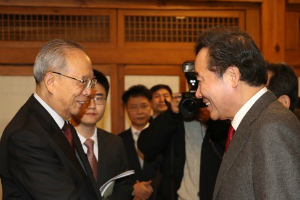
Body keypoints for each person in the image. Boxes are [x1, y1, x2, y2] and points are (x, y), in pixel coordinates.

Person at [194, 26, 300, 199]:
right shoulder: (253, 122)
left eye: (200, 81)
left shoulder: (272, 127)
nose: (198, 93)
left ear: (232, 76)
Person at [0, 39, 102, 199]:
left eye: (91, 82)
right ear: (51, 82)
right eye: (83, 82)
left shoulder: (63, 125)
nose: (88, 91)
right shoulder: (26, 137)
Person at [138, 93, 229, 200]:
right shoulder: (175, 118)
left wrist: (213, 120)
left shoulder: (222, 115)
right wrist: (171, 114)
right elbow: (147, 147)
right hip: (180, 196)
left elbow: (233, 149)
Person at [71, 69, 133, 200]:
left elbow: (125, 186)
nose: (92, 105)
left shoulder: (115, 142)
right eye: (86, 98)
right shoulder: (59, 140)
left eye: (99, 98)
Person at [119, 85, 161, 200]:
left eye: (144, 106)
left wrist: (151, 187)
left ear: (151, 106)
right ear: (126, 109)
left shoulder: (162, 136)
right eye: (133, 107)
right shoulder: (118, 141)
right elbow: (116, 173)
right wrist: (134, 188)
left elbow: (169, 167)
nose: (139, 111)